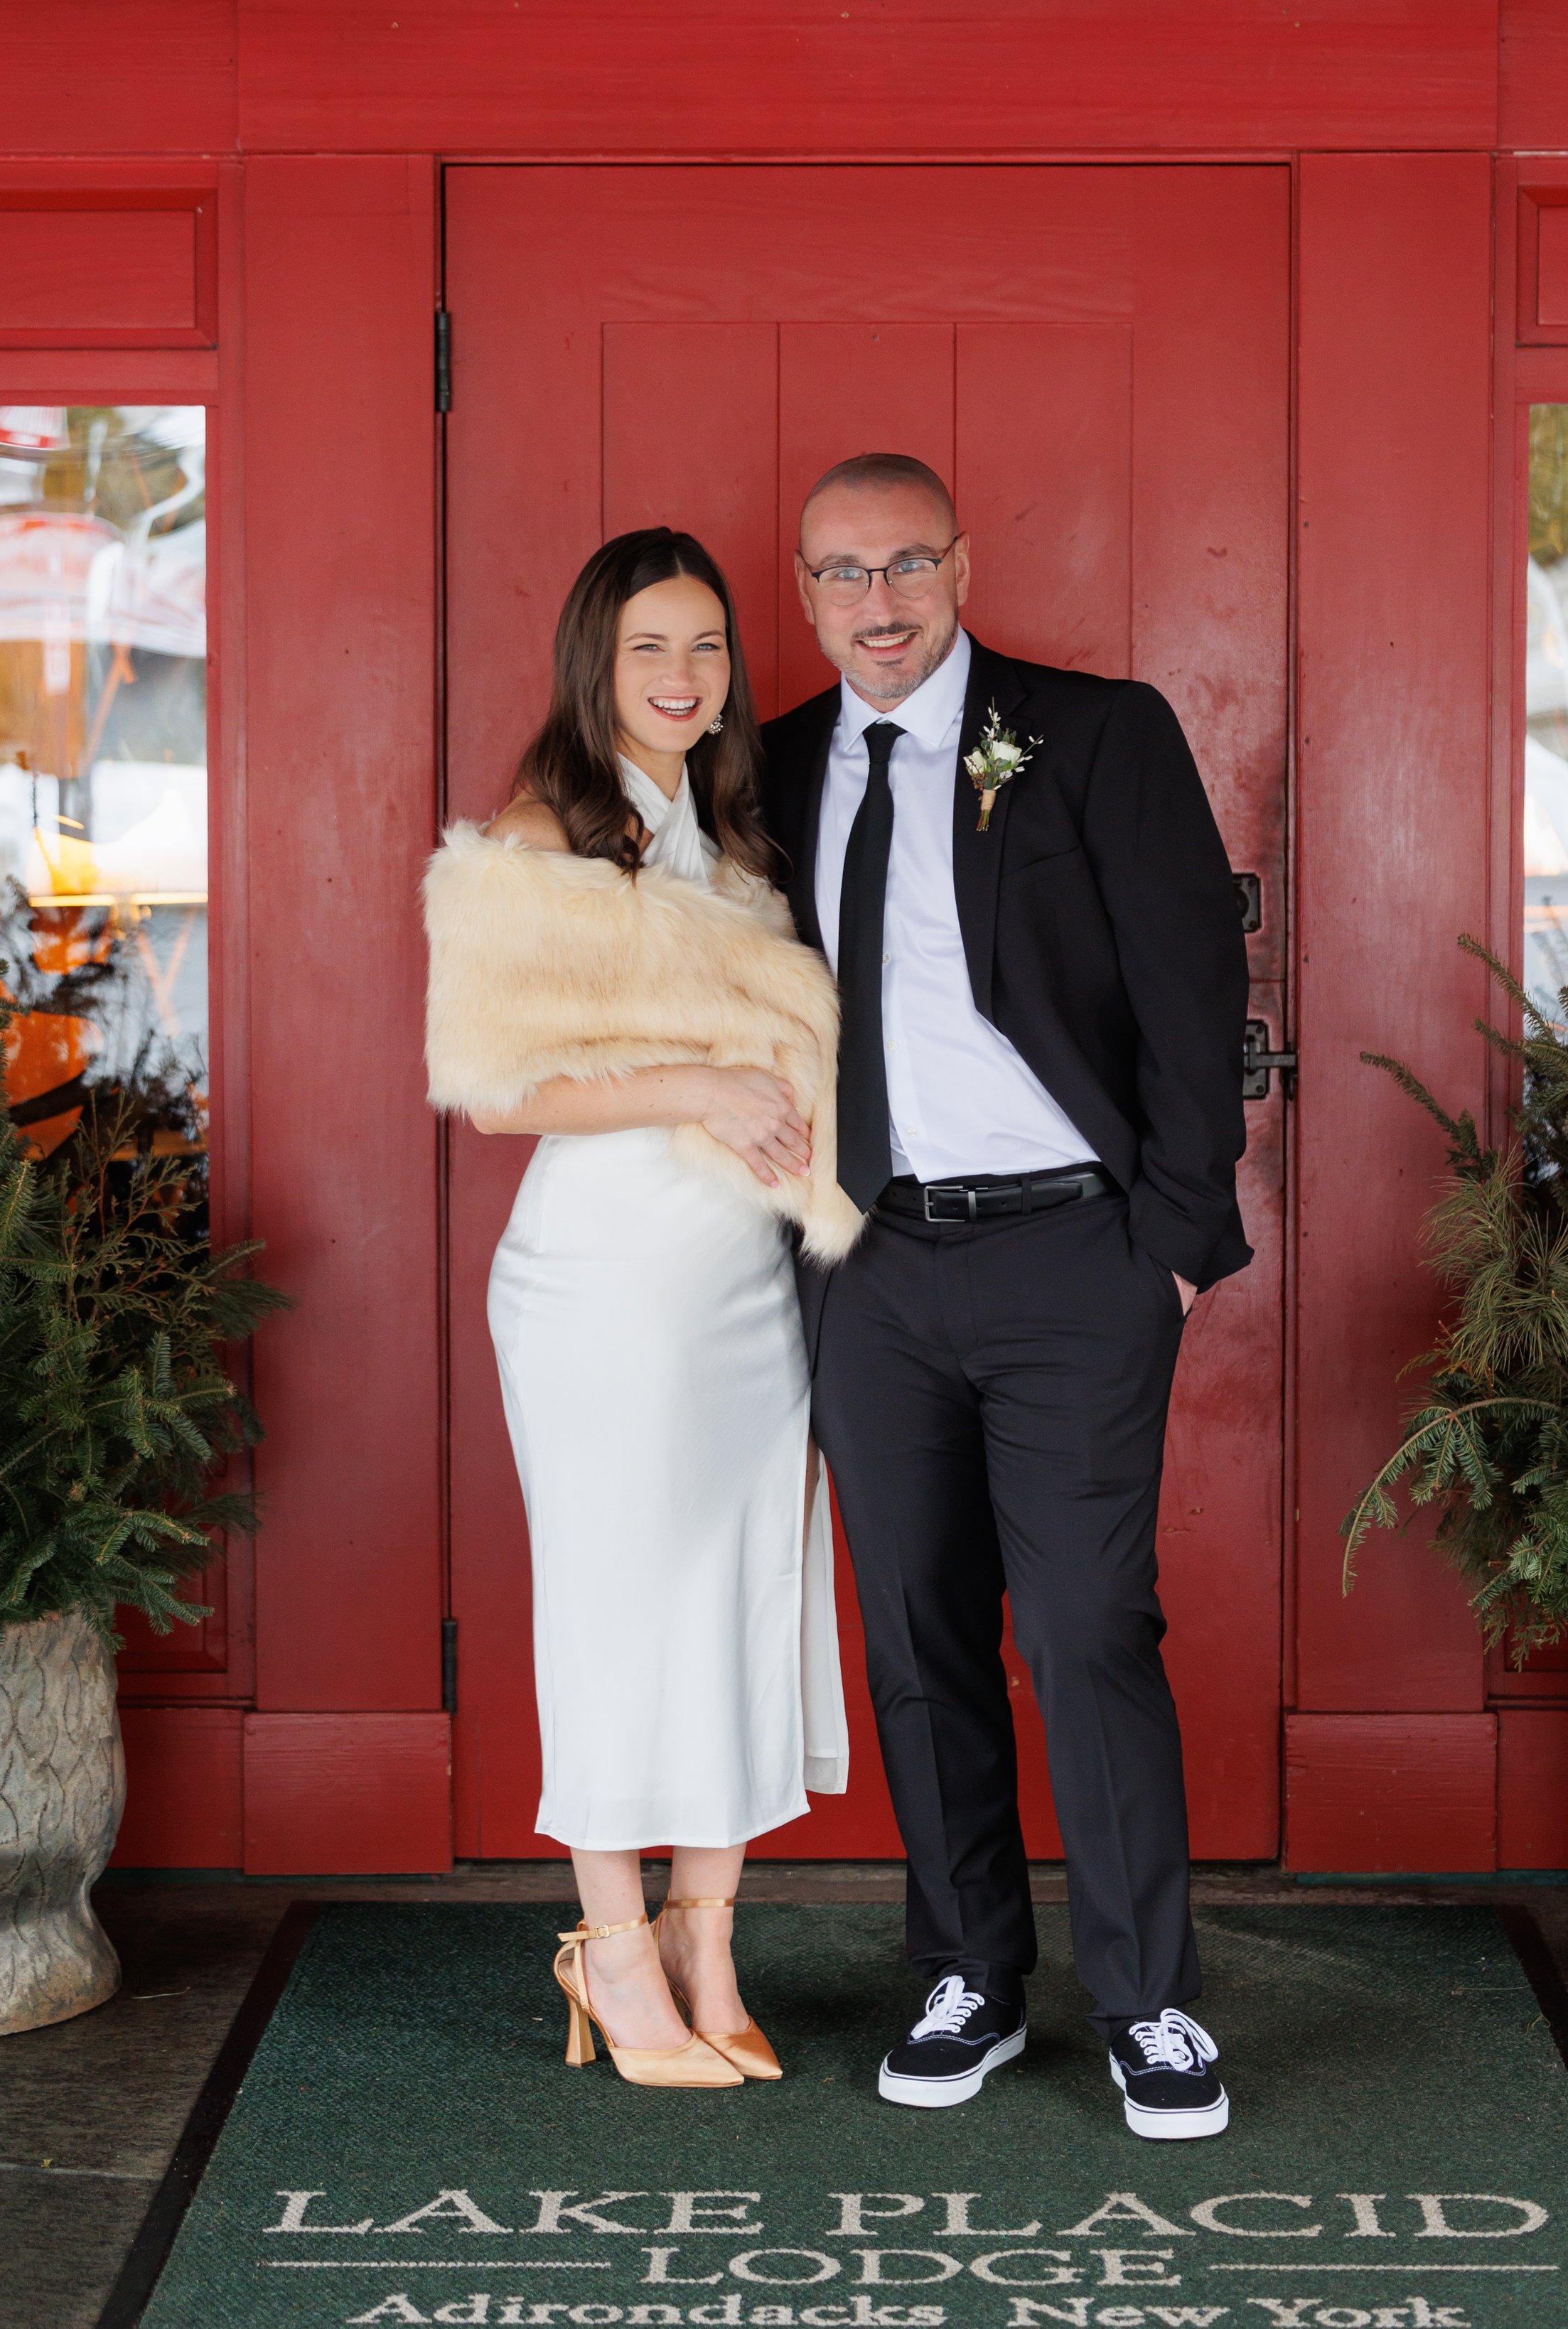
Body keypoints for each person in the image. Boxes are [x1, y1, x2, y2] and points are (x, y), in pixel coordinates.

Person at [761, 453, 1251, 2138]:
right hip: (866, 1260)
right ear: (804, 590)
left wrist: (1169, 1244)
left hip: (1072, 1256)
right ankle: (965, 1972)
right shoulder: (770, 767)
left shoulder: (1094, 734)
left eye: (905, 563)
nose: (877, 602)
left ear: (960, 566)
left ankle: (1145, 2000)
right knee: (915, 1630)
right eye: (841, 573)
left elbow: (1193, 991)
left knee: (1083, 1624)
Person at [424, 526, 859, 2091]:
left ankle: (706, 1938)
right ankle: (609, 1949)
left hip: (741, 1277)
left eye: (706, 646)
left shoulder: (733, 834)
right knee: (615, 1606)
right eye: (648, 649)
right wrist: (699, 1083)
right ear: (592, 665)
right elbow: (495, 1092)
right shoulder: (538, 836)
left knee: (746, 1591)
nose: (683, 677)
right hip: (602, 1283)